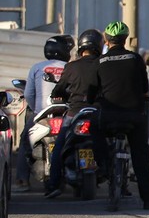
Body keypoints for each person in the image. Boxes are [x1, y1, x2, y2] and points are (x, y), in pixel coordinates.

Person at [95, 21, 149, 209]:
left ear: (106, 40)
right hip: (134, 116)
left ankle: (101, 167)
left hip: (108, 116)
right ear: (125, 39)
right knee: (141, 155)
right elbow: (144, 89)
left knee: (95, 134)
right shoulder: (136, 59)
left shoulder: (99, 62)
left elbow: (93, 91)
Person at [45, 28, 103, 197]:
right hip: (98, 113)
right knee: (114, 144)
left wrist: (58, 96)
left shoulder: (71, 67)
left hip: (74, 113)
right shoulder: (103, 64)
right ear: (98, 45)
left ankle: (54, 184)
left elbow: (59, 89)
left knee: (59, 148)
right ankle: (118, 181)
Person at [14, 34, 72, 191]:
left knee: (25, 142)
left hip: (42, 114)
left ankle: (22, 181)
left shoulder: (37, 67)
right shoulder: (70, 67)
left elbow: (28, 94)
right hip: (67, 113)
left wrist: (36, 110)